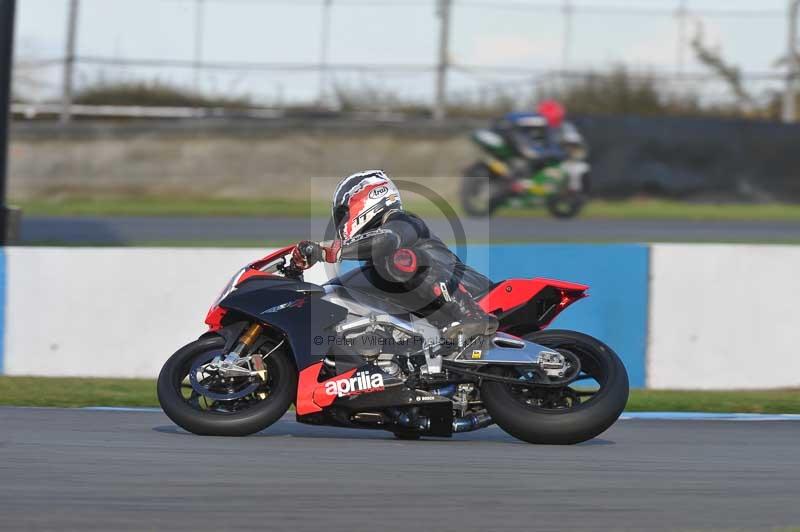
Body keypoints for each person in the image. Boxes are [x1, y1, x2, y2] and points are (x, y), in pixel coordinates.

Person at [289, 170, 498, 341]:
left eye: (343, 214)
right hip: (438, 320)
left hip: (479, 294)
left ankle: (471, 315)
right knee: (339, 290)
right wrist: (295, 276)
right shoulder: (375, 262)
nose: (341, 224)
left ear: (367, 198)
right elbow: (335, 290)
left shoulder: (402, 222)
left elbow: (386, 241)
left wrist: (328, 251)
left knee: (399, 260)